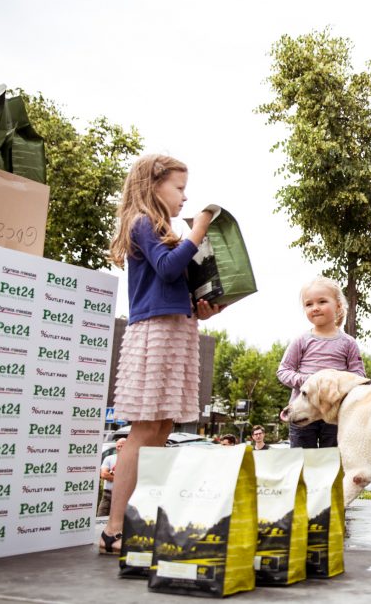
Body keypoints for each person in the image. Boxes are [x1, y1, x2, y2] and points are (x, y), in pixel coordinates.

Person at [99, 154, 224, 555]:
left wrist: (204, 303)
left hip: (178, 327)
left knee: (164, 426)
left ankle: (141, 519)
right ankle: (114, 527)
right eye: (179, 188)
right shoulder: (141, 222)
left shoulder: (164, 229)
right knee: (144, 428)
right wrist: (198, 231)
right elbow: (167, 269)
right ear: (153, 186)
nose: (185, 197)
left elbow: (175, 280)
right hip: (153, 332)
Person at [277, 276, 366, 448]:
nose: (315, 308)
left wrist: (336, 384)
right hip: (302, 412)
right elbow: (283, 371)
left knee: (333, 463)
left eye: (322, 301)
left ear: (338, 305)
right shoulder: (301, 340)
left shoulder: (348, 343)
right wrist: (310, 381)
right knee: (301, 463)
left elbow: (359, 376)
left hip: (334, 414)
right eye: (309, 304)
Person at [97, 438, 126, 517]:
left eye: (122, 446)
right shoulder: (109, 458)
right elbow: (103, 474)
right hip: (107, 495)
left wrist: (112, 474)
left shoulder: (132, 460)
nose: (119, 448)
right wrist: (122, 478)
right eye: (118, 446)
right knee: (100, 518)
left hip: (123, 496)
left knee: (119, 521)